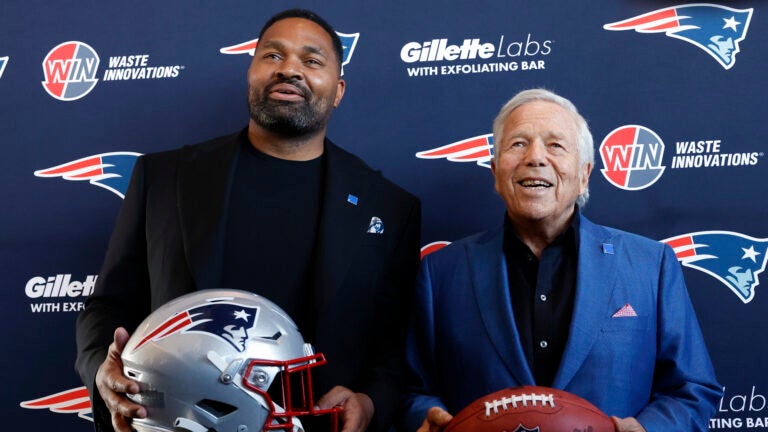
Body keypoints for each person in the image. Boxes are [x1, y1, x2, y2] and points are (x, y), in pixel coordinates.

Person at [75, 8, 421, 432]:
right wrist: (101, 371)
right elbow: (109, 305)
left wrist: (369, 403)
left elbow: (392, 349)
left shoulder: (389, 207)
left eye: (312, 61)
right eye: (273, 56)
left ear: (338, 91)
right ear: (251, 72)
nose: (289, 69)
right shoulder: (163, 178)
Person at [400, 89, 721, 432]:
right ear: (495, 172)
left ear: (584, 173)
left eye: (555, 145)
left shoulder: (651, 265)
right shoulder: (441, 273)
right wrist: (426, 416)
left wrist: (647, 430)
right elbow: (412, 390)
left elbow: (692, 389)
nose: (535, 157)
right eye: (518, 144)